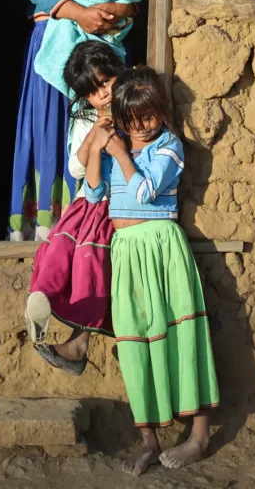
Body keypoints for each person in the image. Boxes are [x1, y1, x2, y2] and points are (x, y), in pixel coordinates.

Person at [84, 67, 219, 475]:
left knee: (182, 334)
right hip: (126, 252)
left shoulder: (169, 148)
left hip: (161, 248)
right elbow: (92, 192)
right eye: (131, 119)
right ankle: (149, 440)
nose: (141, 126)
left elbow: (144, 192)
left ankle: (199, 435)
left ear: (162, 112)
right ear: (120, 117)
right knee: (135, 341)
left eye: (149, 116)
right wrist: (97, 142)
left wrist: (121, 153)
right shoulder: (120, 143)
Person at [8, 0, 135, 242]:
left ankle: (96, 217)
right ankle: (47, 222)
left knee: (100, 119)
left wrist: (125, 7)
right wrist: (80, 14)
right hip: (53, 41)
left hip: (103, 41)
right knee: (50, 122)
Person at [25, 41, 125, 375]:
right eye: (94, 92)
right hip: (88, 200)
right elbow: (75, 169)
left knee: (89, 257)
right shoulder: (84, 118)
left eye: (106, 83)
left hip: (118, 199)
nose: (104, 95)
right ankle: (43, 297)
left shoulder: (136, 105)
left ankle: (80, 341)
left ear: (118, 74)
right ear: (85, 97)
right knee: (57, 245)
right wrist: (93, 137)